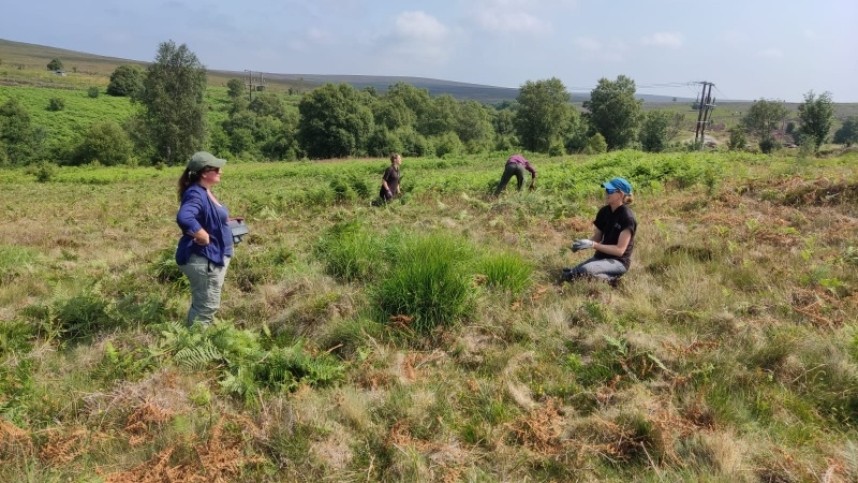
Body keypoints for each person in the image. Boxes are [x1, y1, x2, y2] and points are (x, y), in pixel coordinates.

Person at [175, 151, 234, 325]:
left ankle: (193, 336)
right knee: (206, 307)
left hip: (212, 257)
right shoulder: (196, 193)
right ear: (204, 172)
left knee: (203, 302)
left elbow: (206, 215)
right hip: (205, 258)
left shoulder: (204, 191)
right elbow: (185, 217)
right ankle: (195, 347)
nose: (220, 171)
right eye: (216, 169)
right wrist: (202, 235)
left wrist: (225, 222)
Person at [561, 177, 636, 283]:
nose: (606, 193)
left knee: (584, 271)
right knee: (571, 274)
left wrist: (593, 245)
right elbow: (597, 238)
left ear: (620, 194)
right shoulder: (604, 211)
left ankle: (614, 281)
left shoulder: (627, 217)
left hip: (618, 261)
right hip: (601, 257)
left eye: (609, 191)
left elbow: (620, 250)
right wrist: (583, 243)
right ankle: (600, 276)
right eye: (606, 190)